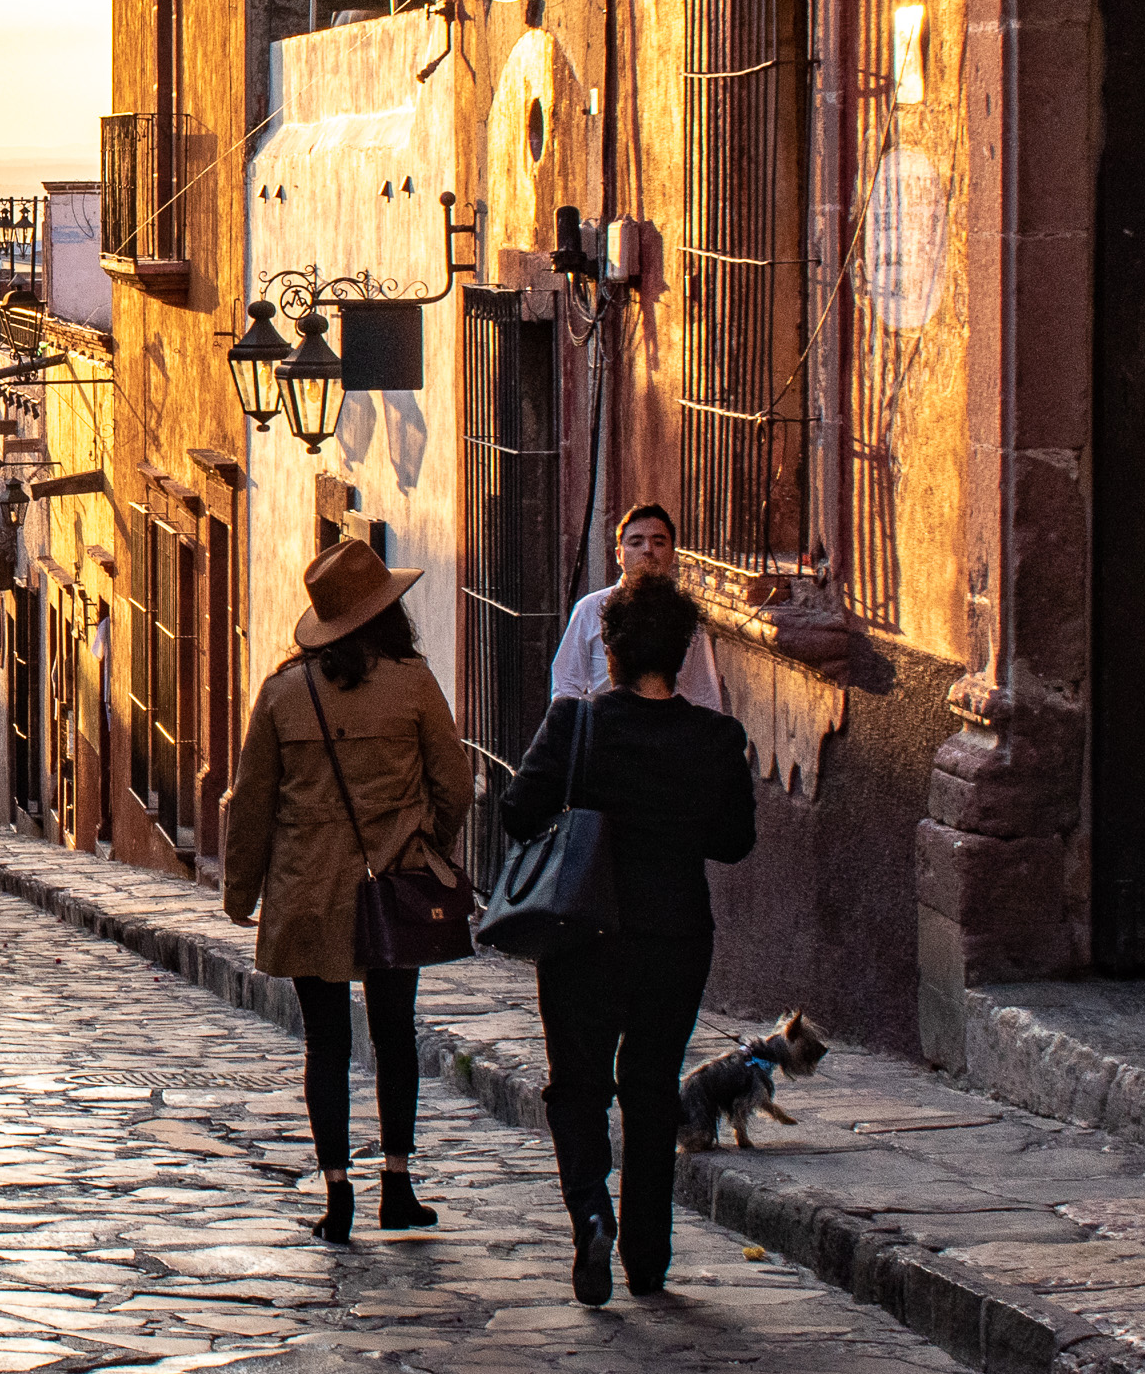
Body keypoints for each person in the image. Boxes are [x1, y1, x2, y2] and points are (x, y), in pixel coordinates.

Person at [504, 575, 759, 1306]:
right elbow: (735, 841)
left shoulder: (574, 725)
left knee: (577, 1083)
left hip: (583, 934)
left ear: (608, 648)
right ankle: (648, 1256)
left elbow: (519, 812)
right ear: (682, 653)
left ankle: (590, 1209)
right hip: (676, 936)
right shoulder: (716, 739)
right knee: (651, 1088)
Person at [223, 540, 476, 1244]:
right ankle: (398, 1182)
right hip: (393, 884)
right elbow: (454, 784)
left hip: (307, 890)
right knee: (396, 1034)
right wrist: (429, 847)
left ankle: (338, 1194)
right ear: (387, 613)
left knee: (325, 1044)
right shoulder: (415, 682)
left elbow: (252, 804)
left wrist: (240, 891)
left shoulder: (282, 693)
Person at [547, 503, 729, 713]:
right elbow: (566, 684)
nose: (648, 550)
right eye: (636, 542)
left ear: (672, 554)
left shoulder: (686, 616)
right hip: (606, 731)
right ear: (619, 555)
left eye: (659, 543)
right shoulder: (590, 609)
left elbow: (704, 692)